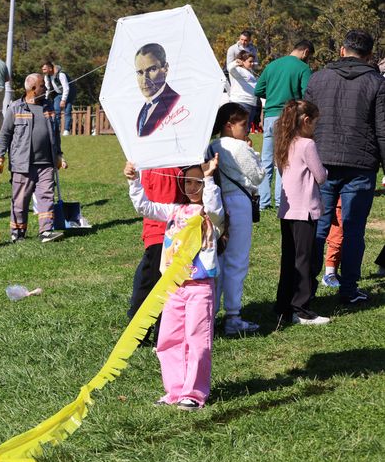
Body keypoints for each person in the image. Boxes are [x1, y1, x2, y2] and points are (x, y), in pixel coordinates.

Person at [125, 156, 223, 410]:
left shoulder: (210, 214)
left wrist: (209, 177)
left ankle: (194, 392)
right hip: (173, 286)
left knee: (197, 338)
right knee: (168, 338)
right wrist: (134, 181)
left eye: (197, 182)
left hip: (200, 286)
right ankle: (174, 390)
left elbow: (213, 206)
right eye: (187, 182)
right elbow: (144, 207)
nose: (192, 188)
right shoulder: (174, 210)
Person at [304, 29, 385, 306]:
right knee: (353, 229)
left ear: (342, 50)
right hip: (360, 164)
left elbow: (305, 123)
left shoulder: (318, 78)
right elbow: (383, 130)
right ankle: (348, 289)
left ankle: (307, 288)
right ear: (370, 55)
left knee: (317, 226)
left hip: (322, 161)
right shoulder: (377, 83)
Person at [209, 103, 264, 335]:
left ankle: (209, 314)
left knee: (218, 260)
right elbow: (258, 175)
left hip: (218, 202)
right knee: (237, 260)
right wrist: (253, 152)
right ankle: (233, 315)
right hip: (238, 203)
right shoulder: (239, 148)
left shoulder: (211, 146)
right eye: (244, 125)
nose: (248, 129)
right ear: (229, 125)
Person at [272, 100, 329, 325]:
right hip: (304, 210)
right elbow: (321, 176)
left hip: (287, 210)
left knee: (289, 259)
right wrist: (325, 169)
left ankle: (283, 305)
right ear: (306, 121)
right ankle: (301, 309)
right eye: (315, 123)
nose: (315, 127)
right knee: (303, 259)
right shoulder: (307, 144)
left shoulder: (283, 142)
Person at [0, 73, 66, 243]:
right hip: (22, 164)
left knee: (47, 196)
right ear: (33, 89)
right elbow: (5, 135)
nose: (46, 89)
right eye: (43, 86)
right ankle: (17, 232)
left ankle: (46, 231)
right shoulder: (15, 108)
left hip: (46, 163)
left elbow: (55, 134)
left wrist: (59, 154)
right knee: (20, 200)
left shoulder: (48, 107)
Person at [127, 166, 184, 346]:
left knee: (155, 285)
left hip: (164, 235)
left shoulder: (168, 166)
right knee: (151, 285)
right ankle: (139, 335)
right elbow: (159, 207)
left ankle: (156, 333)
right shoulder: (163, 167)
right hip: (162, 235)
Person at [254, 40, 314, 210]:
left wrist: (273, 94)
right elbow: (306, 94)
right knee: (286, 160)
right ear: (306, 52)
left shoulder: (272, 65)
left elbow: (258, 90)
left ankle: (263, 202)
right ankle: (282, 200)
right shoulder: (302, 68)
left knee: (266, 160)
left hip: (270, 117)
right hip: (289, 117)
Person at [134, 43, 180, 137]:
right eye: (140, 72)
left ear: (165, 69)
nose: (144, 80)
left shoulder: (175, 101)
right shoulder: (144, 108)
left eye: (152, 69)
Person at [41, 61, 76, 136]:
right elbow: (47, 89)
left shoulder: (61, 74)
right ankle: (56, 130)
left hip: (68, 93)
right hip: (58, 94)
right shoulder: (47, 76)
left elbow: (66, 88)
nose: (43, 71)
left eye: (44, 69)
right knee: (56, 111)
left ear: (50, 68)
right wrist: (45, 99)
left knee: (67, 111)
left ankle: (66, 130)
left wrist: (63, 100)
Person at [227, 51, 259, 132]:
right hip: (241, 103)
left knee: (245, 131)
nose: (252, 64)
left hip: (251, 104)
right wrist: (236, 62)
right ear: (243, 61)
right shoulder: (237, 70)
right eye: (250, 61)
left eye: (253, 61)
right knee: (237, 131)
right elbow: (229, 68)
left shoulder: (249, 72)